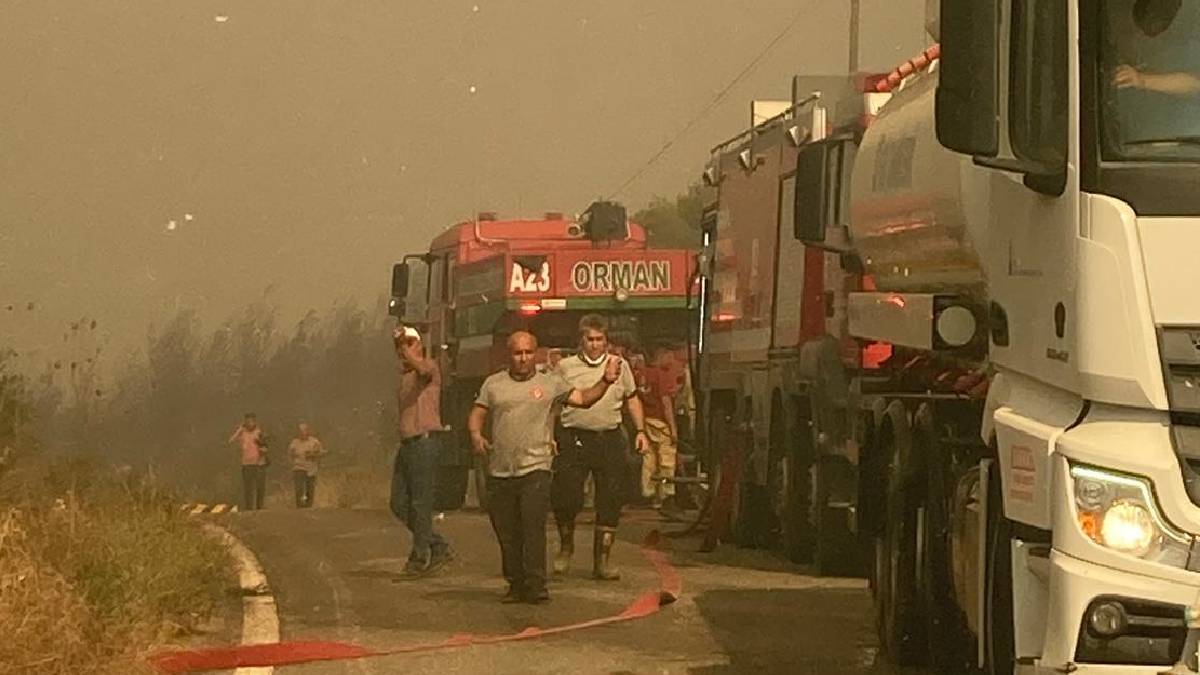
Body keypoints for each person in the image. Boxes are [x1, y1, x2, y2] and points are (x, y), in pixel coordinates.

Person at [467, 330, 622, 604]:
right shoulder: (494, 384)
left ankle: (537, 584)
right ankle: (515, 583)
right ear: (509, 355)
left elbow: (584, 399)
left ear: (536, 355)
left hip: (536, 467)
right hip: (502, 469)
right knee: (507, 531)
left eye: (528, 353)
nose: (523, 359)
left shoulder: (551, 384)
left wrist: (606, 382)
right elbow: (478, 413)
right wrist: (476, 435)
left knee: (532, 525)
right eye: (517, 353)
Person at [550, 315, 648, 581]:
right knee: (567, 497)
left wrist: (640, 431)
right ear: (581, 340)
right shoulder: (565, 367)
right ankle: (566, 546)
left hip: (609, 438)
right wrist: (550, 435)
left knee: (611, 499)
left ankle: (602, 560)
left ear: (607, 341)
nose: (594, 345)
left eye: (599, 339)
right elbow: (554, 405)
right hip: (574, 438)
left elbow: (632, 399)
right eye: (590, 339)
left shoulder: (620, 366)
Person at [392, 325, 453, 577]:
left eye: (409, 342)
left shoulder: (428, 368)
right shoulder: (405, 376)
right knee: (398, 503)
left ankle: (419, 558)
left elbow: (424, 369)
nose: (403, 349)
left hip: (424, 442)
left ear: (419, 344)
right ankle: (436, 545)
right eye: (399, 345)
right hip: (407, 445)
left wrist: (410, 353)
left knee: (420, 503)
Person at [640, 345, 681, 512]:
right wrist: (673, 429)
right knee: (666, 461)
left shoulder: (642, 374)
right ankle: (666, 495)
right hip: (660, 422)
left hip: (644, 421)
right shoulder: (661, 375)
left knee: (648, 460)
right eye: (670, 356)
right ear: (662, 356)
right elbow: (666, 403)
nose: (672, 360)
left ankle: (648, 493)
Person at [228, 413, 268, 511]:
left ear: (254, 421)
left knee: (260, 488)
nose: (249, 423)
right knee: (248, 488)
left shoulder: (259, 432)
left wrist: (262, 448)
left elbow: (266, 447)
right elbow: (230, 441)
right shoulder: (242, 433)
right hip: (246, 463)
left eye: (251, 421)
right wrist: (239, 431)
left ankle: (260, 508)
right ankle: (249, 509)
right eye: (247, 421)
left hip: (259, 464)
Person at [288, 422, 325, 508]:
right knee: (299, 488)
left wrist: (313, 455)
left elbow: (321, 453)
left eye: (304, 430)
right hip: (299, 467)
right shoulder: (295, 442)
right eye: (300, 431)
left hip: (311, 468)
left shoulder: (314, 442)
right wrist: (292, 457)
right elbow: (290, 453)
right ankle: (300, 506)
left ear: (308, 431)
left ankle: (308, 506)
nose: (302, 433)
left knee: (310, 489)